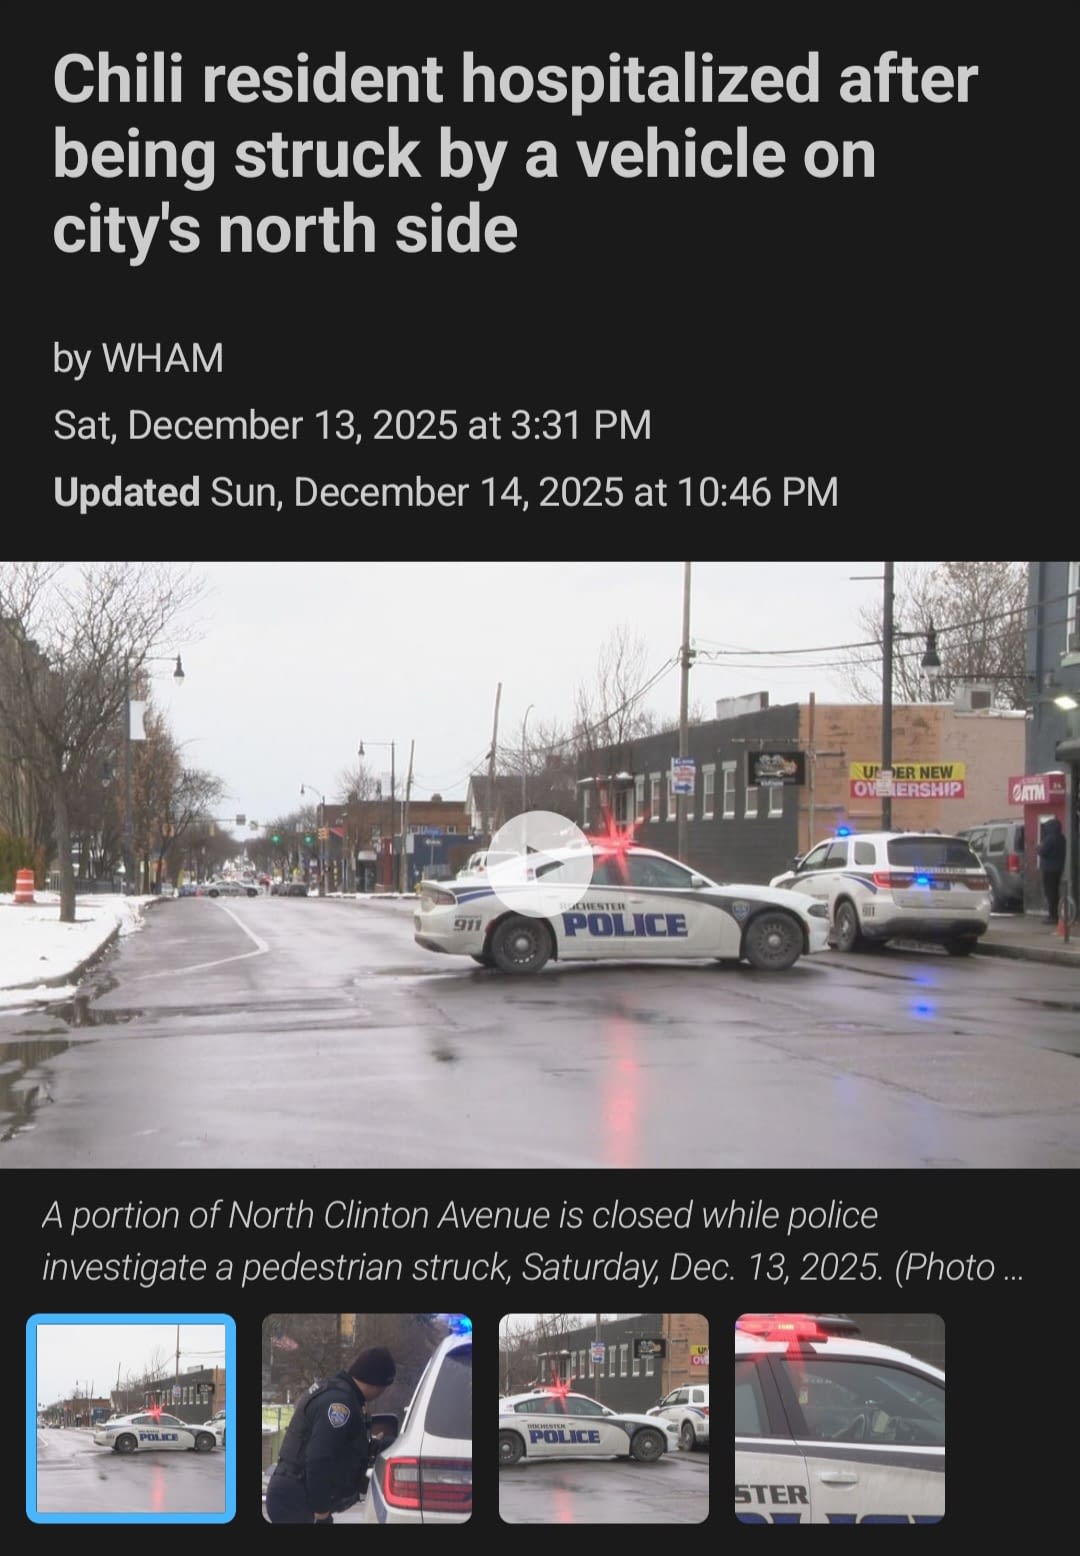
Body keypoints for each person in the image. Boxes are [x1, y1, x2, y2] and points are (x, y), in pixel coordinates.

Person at [265, 1346, 396, 1524]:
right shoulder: (340, 1404)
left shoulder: (338, 1393)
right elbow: (319, 1457)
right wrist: (321, 1512)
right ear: (375, 1383)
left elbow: (338, 1447)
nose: (383, 1392)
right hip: (296, 1498)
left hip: (295, 1494)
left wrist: (372, 1445)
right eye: (384, 1387)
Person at [1036, 815, 1067, 923]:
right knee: (1055, 892)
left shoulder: (1050, 838)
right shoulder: (1062, 838)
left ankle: (1052, 916)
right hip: (1059, 869)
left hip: (1049, 870)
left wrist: (1038, 847)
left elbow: (1042, 852)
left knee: (1050, 893)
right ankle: (1056, 915)